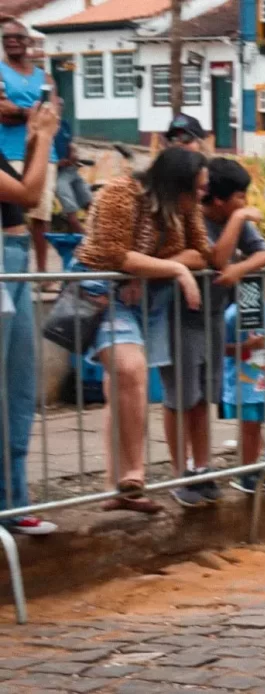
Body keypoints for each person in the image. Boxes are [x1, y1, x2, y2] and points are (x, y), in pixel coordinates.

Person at [76, 148, 211, 514]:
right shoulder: (121, 193)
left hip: (147, 298)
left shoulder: (185, 208)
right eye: (198, 188)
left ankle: (117, 487)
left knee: (122, 386)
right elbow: (115, 254)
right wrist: (176, 270)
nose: (203, 195)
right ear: (176, 185)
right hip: (103, 293)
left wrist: (150, 268)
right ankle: (135, 472)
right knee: (130, 369)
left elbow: (201, 253)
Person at [160, 157, 265, 507]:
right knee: (179, 397)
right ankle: (180, 473)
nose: (245, 203)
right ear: (220, 199)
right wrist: (239, 221)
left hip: (211, 319)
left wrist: (240, 268)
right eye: (240, 197)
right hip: (180, 316)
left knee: (201, 398)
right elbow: (214, 258)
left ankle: (202, 468)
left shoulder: (232, 220)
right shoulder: (194, 218)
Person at [0, 100, 59, 533]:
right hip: (4, 260)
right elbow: (29, 195)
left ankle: (13, 500)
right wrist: (48, 138)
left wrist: (36, 138)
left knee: (18, 387)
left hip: (14, 258)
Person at [223, 276, 265, 494]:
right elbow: (223, 348)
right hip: (243, 383)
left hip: (263, 380)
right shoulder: (232, 314)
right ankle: (245, 472)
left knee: (257, 426)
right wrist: (246, 345)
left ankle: (254, 466)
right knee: (249, 426)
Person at [0, 20, 57, 277]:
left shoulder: (44, 77)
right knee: (14, 212)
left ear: (29, 41)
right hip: (9, 151)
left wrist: (19, 112)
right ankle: (16, 273)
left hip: (44, 152)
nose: (11, 40)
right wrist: (33, 115)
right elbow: (3, 113)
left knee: (41, 215)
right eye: (6, 37)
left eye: (17, 36)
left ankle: (42, 273)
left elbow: (53, 112)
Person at [53, 118, 91, 236]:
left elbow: (70, 144)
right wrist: (55, 163)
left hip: (70, 169)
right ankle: (85, 238)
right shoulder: (41, 126)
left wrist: (73, 152)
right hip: (55, 174)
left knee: (89, 203)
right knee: (71, 210)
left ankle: (97, 234)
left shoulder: (64, 124)